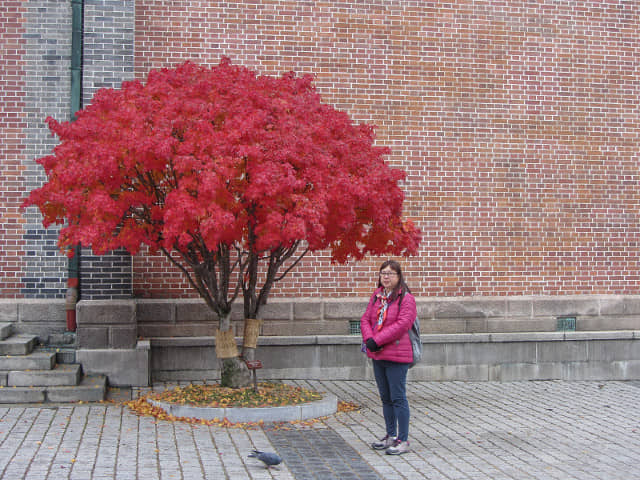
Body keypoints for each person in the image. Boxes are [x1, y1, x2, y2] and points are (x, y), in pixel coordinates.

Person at [360, 259, 417, 455]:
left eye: (390, 273)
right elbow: (366, 319)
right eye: (383, 273)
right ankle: (390, 435)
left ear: (398, 276)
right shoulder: (377, 296)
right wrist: (369, 339)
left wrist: (378, 340)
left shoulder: (406, 298)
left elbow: (403, 325)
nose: (385, 277)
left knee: (398, 397)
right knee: (385, 398)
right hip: (378, 353)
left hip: (397, 355)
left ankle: (403, 439)